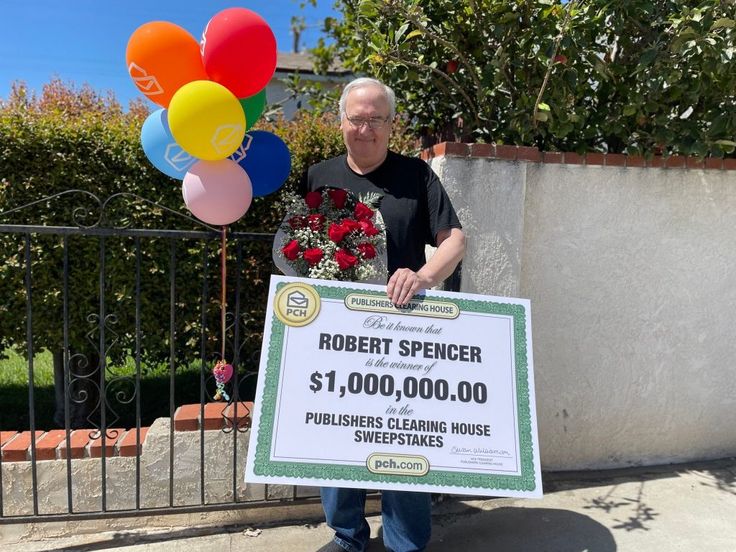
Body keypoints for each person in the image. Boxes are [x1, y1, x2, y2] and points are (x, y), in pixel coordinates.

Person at [301, 77, 466, 552]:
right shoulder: (317, 176)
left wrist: (424, 276)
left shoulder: (417, 176)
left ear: (392, 125)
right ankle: (347, 536)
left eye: (376, 119)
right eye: (357, 118)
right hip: (336, 333)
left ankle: (406, 543)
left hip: (402, 336)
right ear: (341, 122)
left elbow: (454, 240)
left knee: (403, 439)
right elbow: (300, 251)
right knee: (334, 438)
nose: (365, 128)